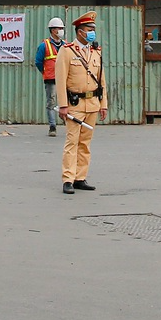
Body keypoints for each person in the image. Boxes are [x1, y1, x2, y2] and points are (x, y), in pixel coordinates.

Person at [55, 12, 105, 195]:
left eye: (93, 30)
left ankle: (80, 178)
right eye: (89, 30)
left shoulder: (96, 51)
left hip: (92, 103)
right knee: (72, 142)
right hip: (74, 104)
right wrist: (62, 105)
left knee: (85, 143)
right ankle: (68, 178)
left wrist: (103, 103)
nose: (92, 33)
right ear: (80, 32)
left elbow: (101, 80)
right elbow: (60, 80)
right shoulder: (67, 51)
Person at [33, 17, 66, 136]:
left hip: (65, 79)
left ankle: (68, 122)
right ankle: (52, 126)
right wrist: (45, 72)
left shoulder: (66, 45)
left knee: (67, 102)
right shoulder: (44, 45)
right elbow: (38, 61)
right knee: (51, 103)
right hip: (51, 79)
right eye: (59, 28)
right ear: (52, 30)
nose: (61, 30)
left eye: (62, 28)